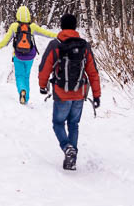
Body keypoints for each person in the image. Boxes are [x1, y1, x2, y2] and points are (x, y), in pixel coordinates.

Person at [36, 13, 101, 171]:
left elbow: (44, 68)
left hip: (61, 93)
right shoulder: (84, 46)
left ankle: (67, 148)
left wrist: (42, 86)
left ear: (61, 25)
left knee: (58, 123)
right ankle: (72, 158)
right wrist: (97, 95)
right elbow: (93, 72)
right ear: (75, 26)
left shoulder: (56, 44)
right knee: (74, 124)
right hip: (79, 93)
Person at [0, 5, 56, 104]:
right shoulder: (33, 27)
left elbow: (6, 41)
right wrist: (60, 36)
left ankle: (22, 91)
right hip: (30, 56)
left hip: (18, 56)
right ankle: (26, 98)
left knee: (19, 76)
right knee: (26, 76)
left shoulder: (14, 26)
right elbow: (47, 33)